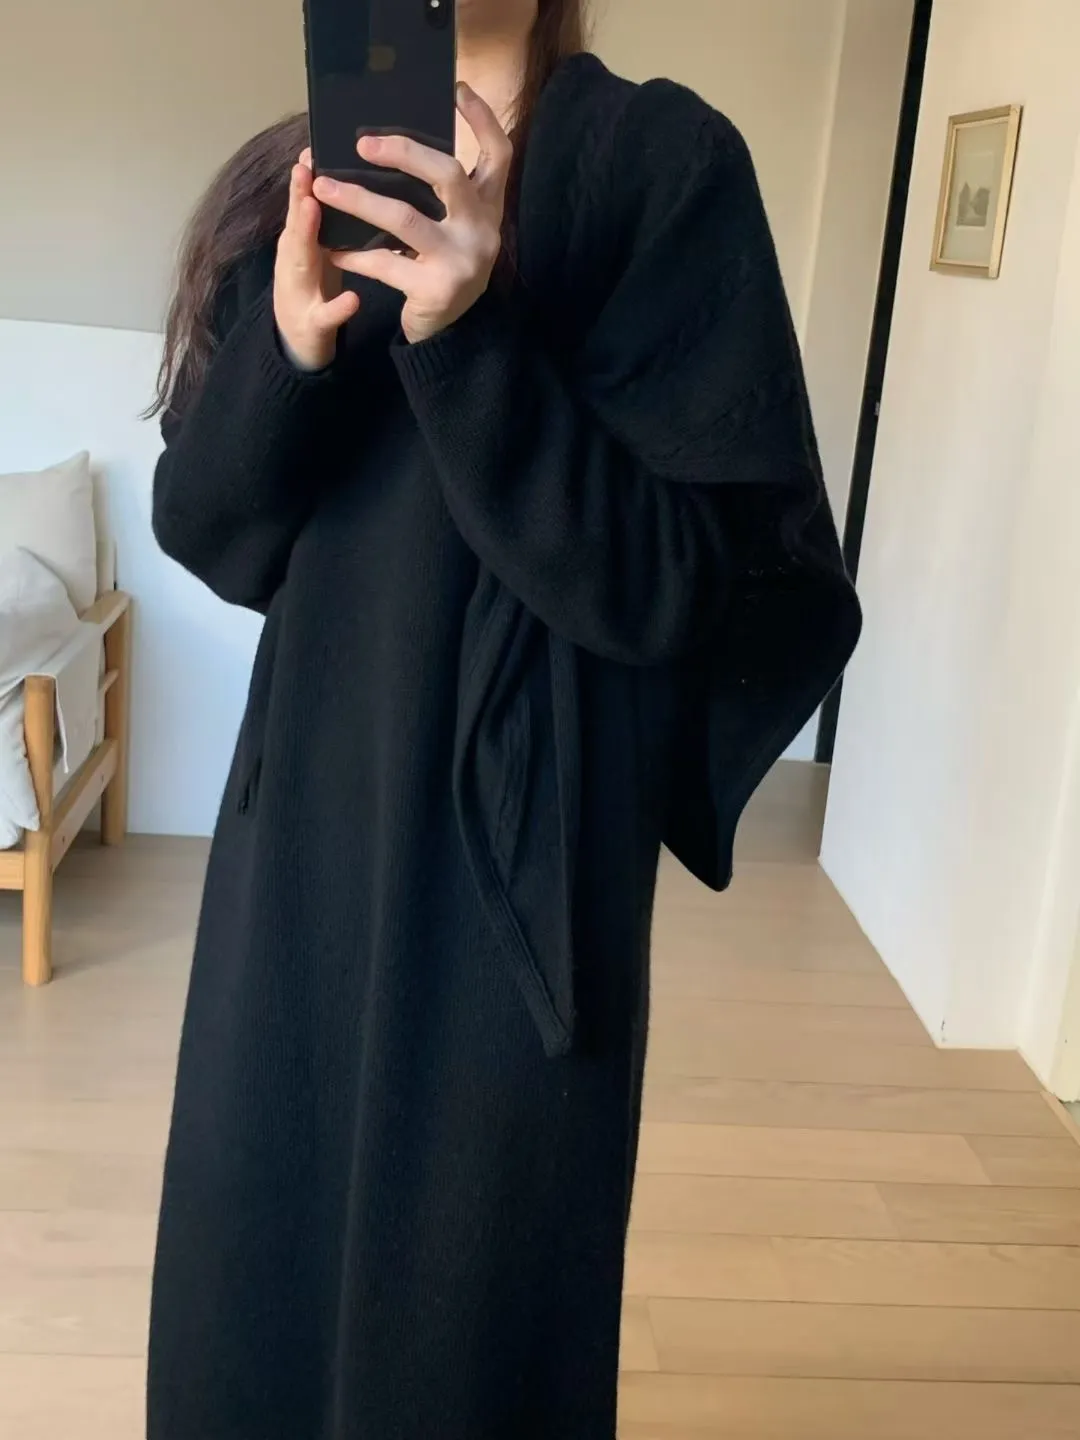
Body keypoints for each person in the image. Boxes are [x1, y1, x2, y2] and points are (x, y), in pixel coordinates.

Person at [146, 0, 861, 1436]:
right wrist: (290, 354)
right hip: (301, 842)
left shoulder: (659, 166)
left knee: (463, 1338)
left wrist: (472, 338)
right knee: (253, 1292)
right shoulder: (294, 180)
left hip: (522, 867)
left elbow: (675, 590)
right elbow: (208, 531)